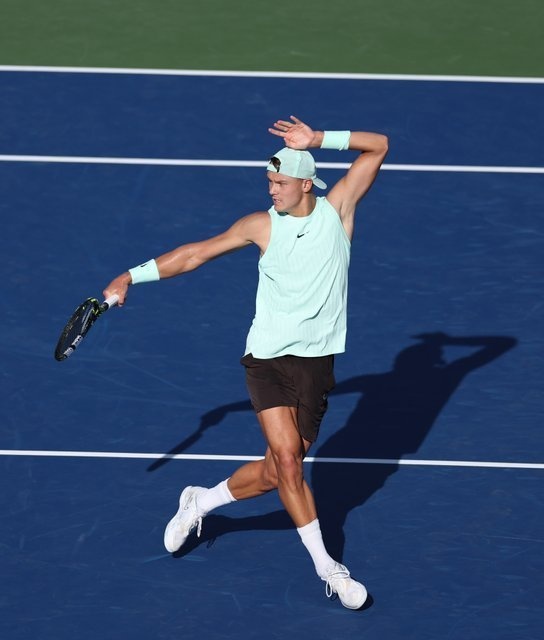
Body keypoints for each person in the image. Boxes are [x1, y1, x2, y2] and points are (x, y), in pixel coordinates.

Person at [103, 116, 388, 609]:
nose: (272, 190)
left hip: (316, 364)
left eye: (280, 182)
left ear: (306, 183)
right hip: (267, 358)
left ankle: (201, 500)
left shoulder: (338, 210)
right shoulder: (260, 225)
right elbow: (195, 254)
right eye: (269, 182)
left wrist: (317, 139)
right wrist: (131, 275)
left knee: (279, 472)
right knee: (289, 461)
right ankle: (330, 569)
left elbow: (378, 146)